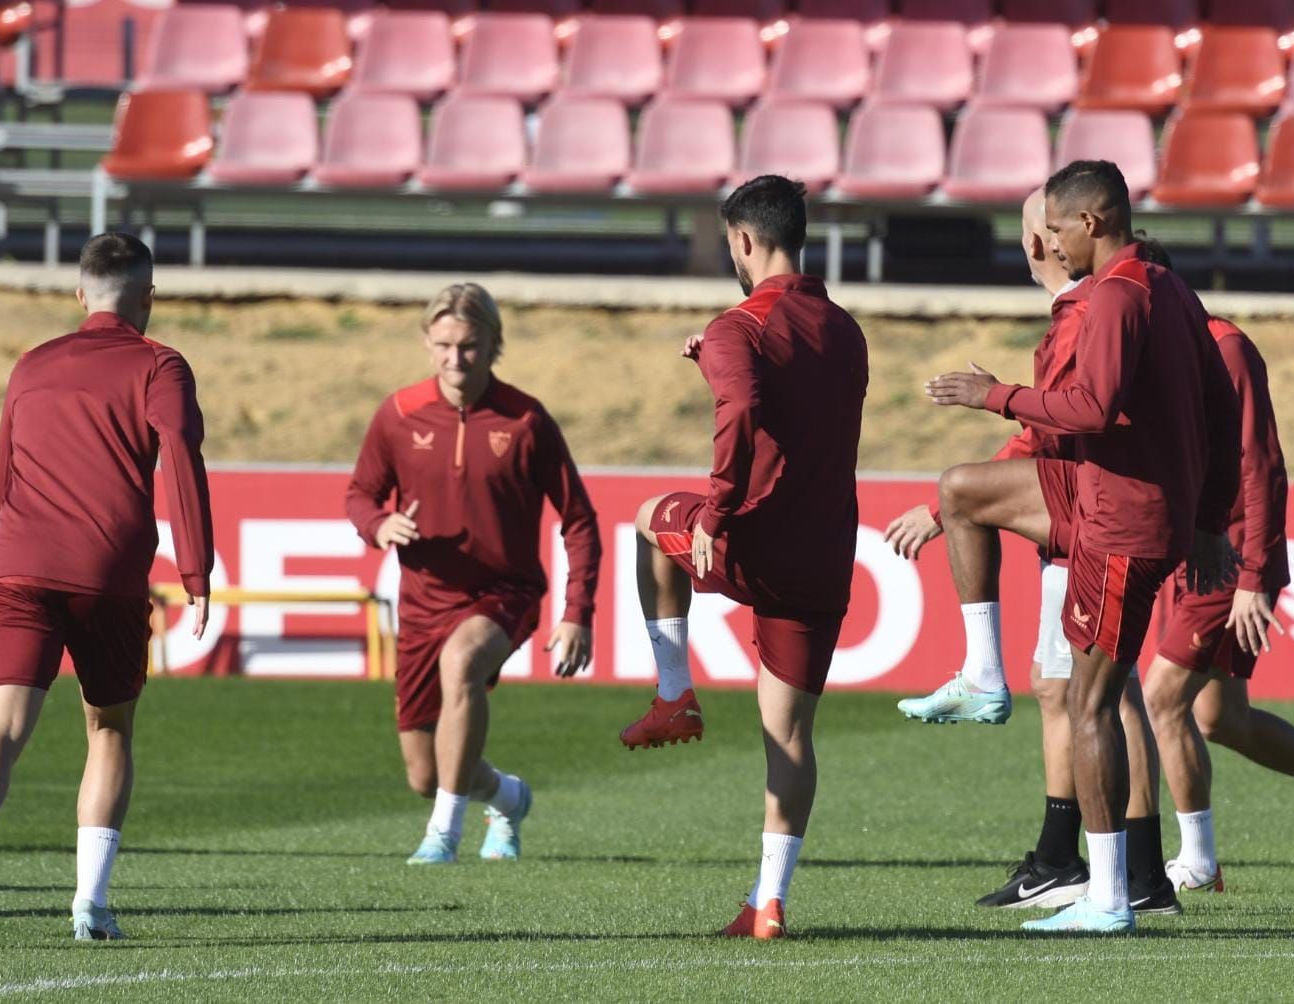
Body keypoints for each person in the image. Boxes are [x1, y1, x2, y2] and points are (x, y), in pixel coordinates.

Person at [921, 160, 1242, 933]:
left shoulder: (1117, 298)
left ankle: (1107, 897)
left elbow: (1089, 407)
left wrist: (992, 394)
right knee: (962, 490)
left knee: (1092, 704)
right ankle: (982, 675)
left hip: (1121, 523)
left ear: (1092, 223)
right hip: (1127, 500)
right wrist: (1205, 522)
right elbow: (1217, 412)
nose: (1051, 245)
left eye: (1057, 230)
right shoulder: (1173, 291)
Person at [885, 190, 1180, 917]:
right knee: (1078, 696)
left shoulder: (1100, 306)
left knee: (1099, 703)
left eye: (1040, 227)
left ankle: (1130, 880)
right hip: (1087, 516)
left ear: (1047, 242)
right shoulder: (1126, 300)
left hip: (1097, 517)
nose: (1038, 239)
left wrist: (992, 409)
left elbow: (1071, 423)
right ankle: (1071, 864)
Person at [0, 233, 214, 946]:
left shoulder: (32, 364)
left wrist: (12, 545)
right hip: (107, 572)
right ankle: (89, 904)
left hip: (19, 560)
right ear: (148, 297)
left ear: (80, 295)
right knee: (108, 728)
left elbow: (3, 476)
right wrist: (197, 572)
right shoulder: (161, 365)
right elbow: (180, 458)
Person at [616, 175, 868, 939]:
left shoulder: (737, 326)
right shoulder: (845, 328)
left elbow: (747, 406)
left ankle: (673, 694)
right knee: (790, 733)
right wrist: (720, 362)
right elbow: (787, 396)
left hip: (752, 538)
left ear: (744, 242)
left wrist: (718, 511)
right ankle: (769, 903)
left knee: (643, 521)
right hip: (825, 554)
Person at [1129, 251, 1294, 890]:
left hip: (1230, 554)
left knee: (1159, 698)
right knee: (1220, 719)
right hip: (1193, 551)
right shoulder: (1160, 353)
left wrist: (1253, 574)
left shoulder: (1226, 350)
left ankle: (1198, 861)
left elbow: (1262, 466)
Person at [346, 283, 600, 866]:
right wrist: (378, 525)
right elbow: (360, 494)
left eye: (468, 346)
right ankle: (508, 798)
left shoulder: (527, 420)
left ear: (493, 344)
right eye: (443, 345)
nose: (455, 359)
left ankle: (442, 835)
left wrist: (576, 613)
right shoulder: (399, 415)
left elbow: (579, 520)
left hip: (504, 594)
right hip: (421, 603)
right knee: (422, 771)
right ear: (426, 342)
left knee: (462, 662)